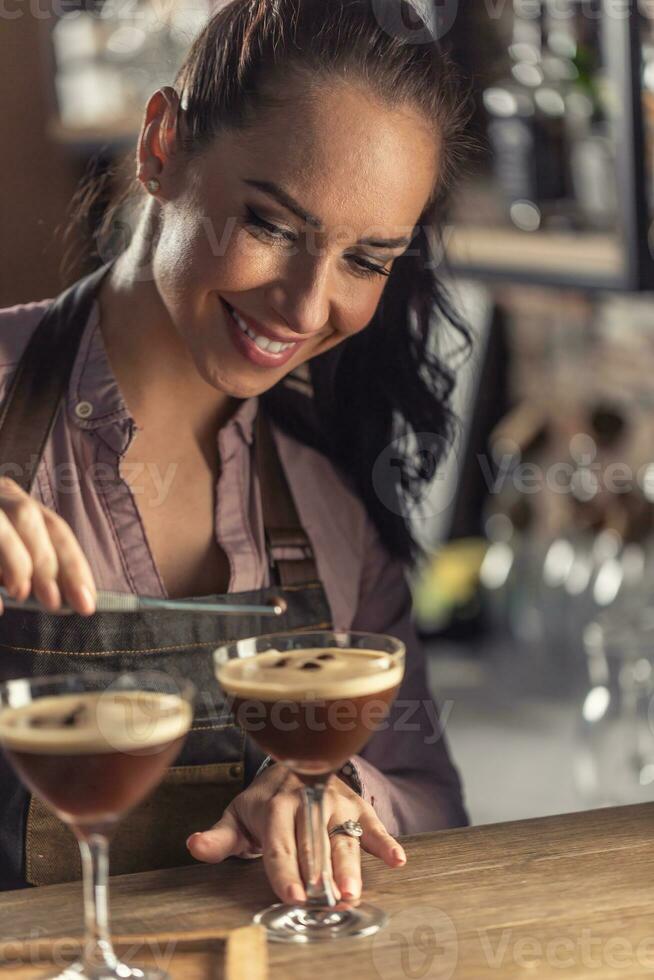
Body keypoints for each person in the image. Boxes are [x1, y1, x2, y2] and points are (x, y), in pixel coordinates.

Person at [0, 0, 470, 899]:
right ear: (162, 145)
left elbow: (435, 801)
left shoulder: (326, 491)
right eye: (273, 227)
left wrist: (336, 794)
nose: (303, 308)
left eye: (366, 261)